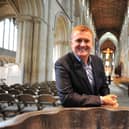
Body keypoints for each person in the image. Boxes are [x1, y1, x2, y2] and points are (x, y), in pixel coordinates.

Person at [55, 25, 118, 108]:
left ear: (92, 44)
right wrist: (101, 100)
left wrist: (109, 101)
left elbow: (104, 86)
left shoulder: (98, 61)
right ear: (71, 43)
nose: (83, 44)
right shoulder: (62, 63)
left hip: (98, 112)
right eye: (78, 40)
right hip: (75, 114)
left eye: (87, 41)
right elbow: (67, 98)